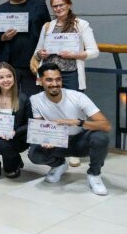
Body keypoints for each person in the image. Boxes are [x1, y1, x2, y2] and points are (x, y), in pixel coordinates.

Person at [28, 63, 111, 195]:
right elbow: (39, 127)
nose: (55, 84)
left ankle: (94, 175)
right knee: (34, 154)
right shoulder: (35, 99)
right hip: (57, 141)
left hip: (80, 140)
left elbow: (106, 125)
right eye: (49, 80)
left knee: (101, 137)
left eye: (58, 79)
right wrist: (46, 139)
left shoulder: (77, 97)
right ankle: (59, 165)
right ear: (40, 81)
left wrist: (77, 122)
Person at [0, 0, 51, 96]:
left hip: (33, 62)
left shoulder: (39, 5)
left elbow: (48, 30)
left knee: (33, 99)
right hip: (9, 64)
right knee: (8, 99)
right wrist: (2, 37)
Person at [33, 0, 98, 92]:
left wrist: (73, 55)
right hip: (48, 74)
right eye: (55, 6)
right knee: (48, 102)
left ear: (69, 5)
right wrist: (40, 54)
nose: (58, 8)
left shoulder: (81, 25)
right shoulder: (47, 26)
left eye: (61, 5)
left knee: (72, 101)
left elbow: (94, 52)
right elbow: (37, 52)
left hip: (71, 75)